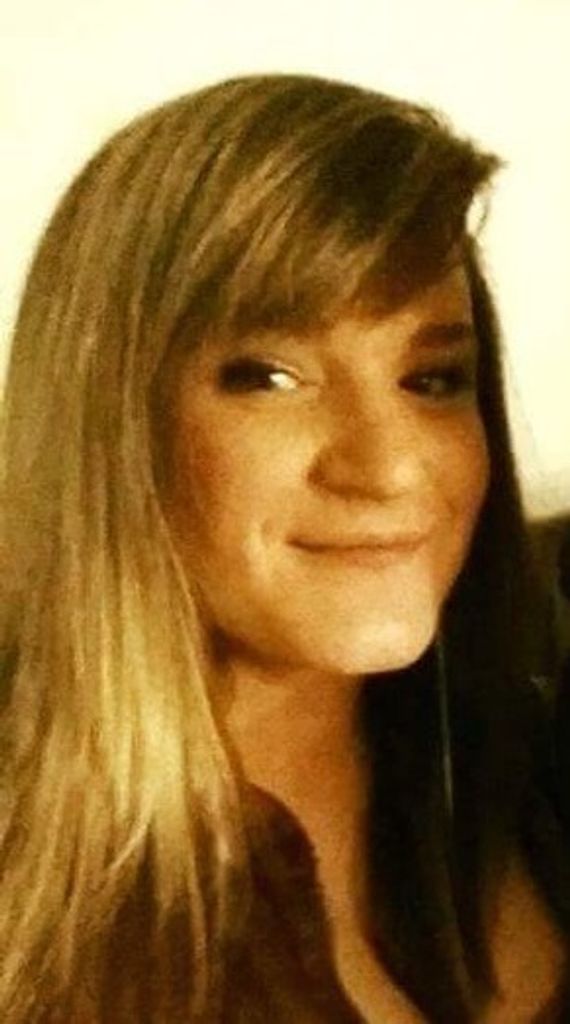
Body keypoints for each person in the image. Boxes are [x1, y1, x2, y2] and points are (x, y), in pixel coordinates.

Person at [0, 73, 568, 1023]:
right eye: (268, 377)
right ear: (110, 427)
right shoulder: (34, 918)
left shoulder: (523, 767)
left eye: (432, 379)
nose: (389, 466)